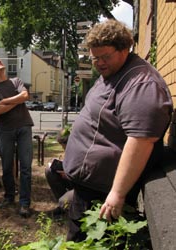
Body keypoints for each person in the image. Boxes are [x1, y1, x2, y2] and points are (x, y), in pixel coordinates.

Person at [62, 19, 173, 242]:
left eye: (105, 57)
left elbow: (141, 141)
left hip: (103, 195)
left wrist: (117, 193)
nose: (99, 63)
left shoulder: (142, 84)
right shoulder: (112, 73)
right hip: (88, 187)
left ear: (125, 48)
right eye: (95, 58)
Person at [0, 58, 34, 218]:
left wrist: (5, 101)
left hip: (24, 126)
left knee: (25, 167)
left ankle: (25, 203)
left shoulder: (16, 81)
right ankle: (9, 196)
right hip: (6, 130)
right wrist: (17, 101)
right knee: (6, 166)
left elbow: (25, 95)